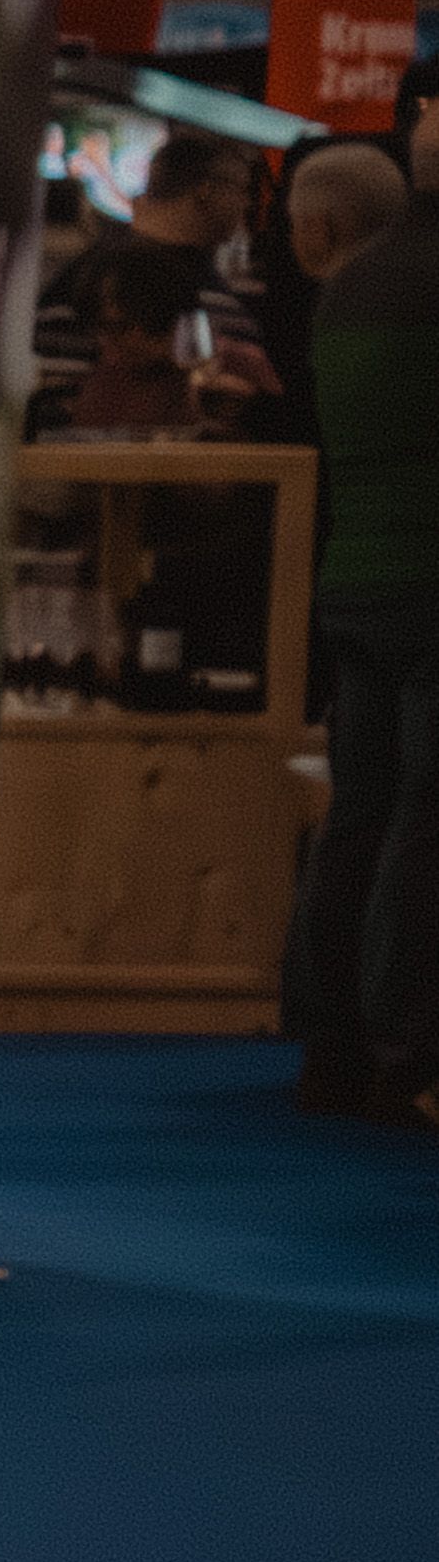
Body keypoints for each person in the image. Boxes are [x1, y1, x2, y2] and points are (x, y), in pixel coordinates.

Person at [288, 140, 438, 1119]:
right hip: (431, 587)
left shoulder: (348, 286)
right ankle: (409, 1051)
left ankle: (330, 1039)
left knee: (361, 811)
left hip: (355, 582)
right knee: (425, 816)